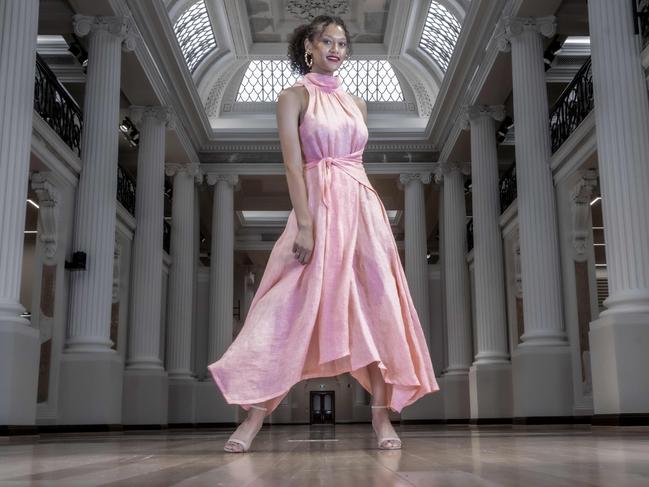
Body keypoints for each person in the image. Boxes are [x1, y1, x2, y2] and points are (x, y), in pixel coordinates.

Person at [208, 14, 440, 453]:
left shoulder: (358, 104)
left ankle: (381, 421)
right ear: (308, 46)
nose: (336, 49)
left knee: (373, 311)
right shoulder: (293, 96)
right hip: (316, 205)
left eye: (342, 43)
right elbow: (293, 165)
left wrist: (374, 218)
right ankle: (252, 421)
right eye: (326, 41)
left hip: (361, 208)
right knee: (286, 308)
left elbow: (358, 163)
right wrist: (307, 223)